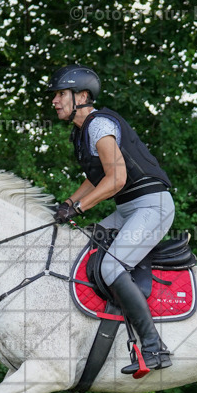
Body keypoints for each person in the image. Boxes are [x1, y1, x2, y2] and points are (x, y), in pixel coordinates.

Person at [47, 65, 174, 374]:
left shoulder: (98, 124)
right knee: (82, 245)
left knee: (110, 266)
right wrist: (68, 203)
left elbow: (116, 179)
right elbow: (96, 179)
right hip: (129, 208)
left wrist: (78, 209)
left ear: (83, 96)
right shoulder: (81, 132)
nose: (55, 101)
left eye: (61, 94)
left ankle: (154, 346)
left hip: (151, 206)